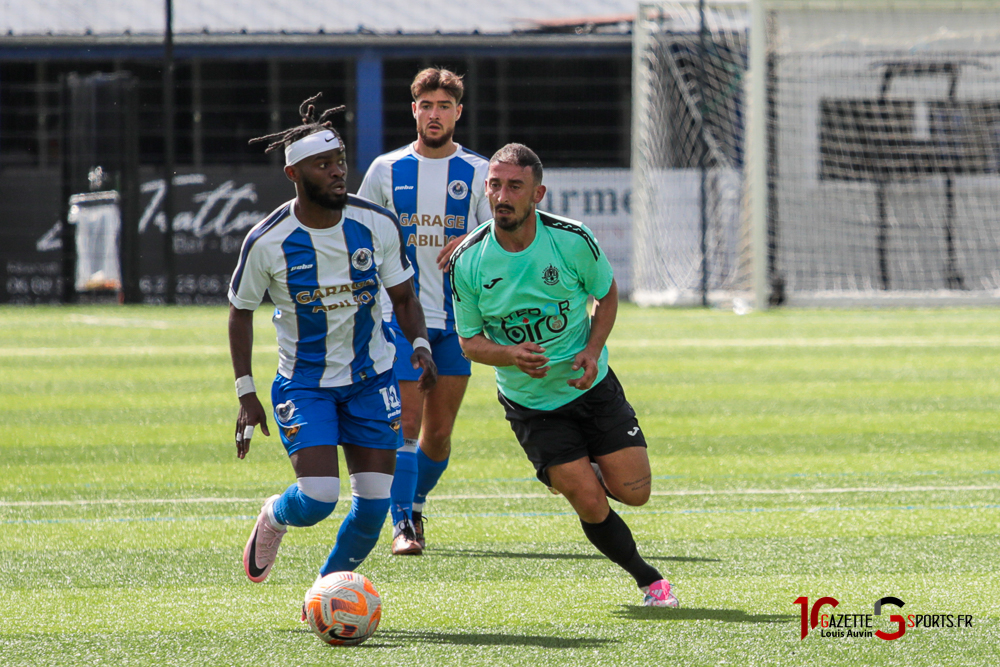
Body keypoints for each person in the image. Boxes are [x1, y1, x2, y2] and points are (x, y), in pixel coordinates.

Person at [448, 143, 679, 608]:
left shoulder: (572, 239)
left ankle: (587, 467)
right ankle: (649, 581)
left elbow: (607, 296)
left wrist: (593, 350)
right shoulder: (469, 261)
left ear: (538, 193)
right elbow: (469, 343)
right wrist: (511, 355)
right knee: (591, 503)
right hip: (531, 404)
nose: (502, 195)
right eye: (494, 185)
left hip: (591, 388)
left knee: (635, 494)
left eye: (515, 186)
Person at [229, 94, 437, 594]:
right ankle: (275, 518)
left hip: (372, 378)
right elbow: (240, 311)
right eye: (323, 164)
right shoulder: (268, 240)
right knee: (319, 497)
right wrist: (246, 392)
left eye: (340, 161)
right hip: (305, 384)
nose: (337, 172)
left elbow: (404, 297)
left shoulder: (376, 225)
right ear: (294, 174)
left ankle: (322, 593)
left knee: (373, 505)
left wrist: (421, 345)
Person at [358, 68, 491, 555]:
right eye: (426, 106)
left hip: (458, 324)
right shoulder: (385, 170)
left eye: (444, 106)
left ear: (459, 112)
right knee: (406, 425)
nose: (434, 114)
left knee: (438, 437)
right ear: (413, 110)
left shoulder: (479, 172)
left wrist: (471, 239)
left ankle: (412, 499)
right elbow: (361, 236)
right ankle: (404, 524)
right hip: (400, 319)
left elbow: (501, 237)